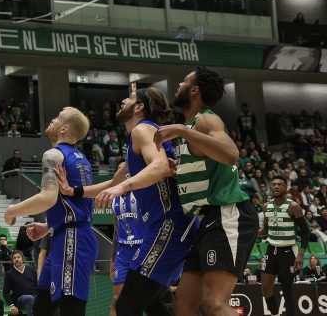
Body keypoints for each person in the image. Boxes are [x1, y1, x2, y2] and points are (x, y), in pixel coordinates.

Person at [60, 88, 197, 316]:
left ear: (139, 107)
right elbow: (109, 184)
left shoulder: (142, 130)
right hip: (165, 227)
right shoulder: (136, 142)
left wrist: (124, 186)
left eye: (130, 99)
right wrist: (72, 191)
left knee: (126, 306)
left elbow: (161, 167)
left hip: (170, 225)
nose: (123, 100)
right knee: (152, 303)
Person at [153, 66, 259, 316]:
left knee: (214, 304)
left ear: (195, 90)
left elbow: (231, 155)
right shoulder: (193, 125)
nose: (178, 85)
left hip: (228, 213)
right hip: (208, 219)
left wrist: (180, 130)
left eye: (183, 81)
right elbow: (207, 165)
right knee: (184, 306)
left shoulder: (205, 119)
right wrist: (180, 169)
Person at [4, 107, 96, 316]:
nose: (51, 120)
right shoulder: (81, 158)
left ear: (63, 128)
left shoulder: (53, 154)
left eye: (56, 118)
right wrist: (48, 226)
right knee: (42, 307)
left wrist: (12, 210)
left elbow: (48, 197)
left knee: (71, 309)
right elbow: (74, 205)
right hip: (66, 234)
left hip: (73, 238)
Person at [259, 175, 309, 316]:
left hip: (288, 252)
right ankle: (275, 313)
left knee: (286, 289)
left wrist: (300, 254)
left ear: (285, 188)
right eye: (273, 184)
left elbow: (305, 232)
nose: (276, 186)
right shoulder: (266, 207)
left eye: (279, 184)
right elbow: (265, 230)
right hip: (271, 250)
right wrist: (250, 233)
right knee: (265, 289)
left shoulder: (293, 206)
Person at [2, 251, 37, 316]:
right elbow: (6, 292)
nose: (17, 259)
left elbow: (38, 285)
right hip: (20, 299)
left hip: (35, 296)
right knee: (30, 298)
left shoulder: (32, 269)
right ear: (12, 261)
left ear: (22, 259)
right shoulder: (9, 274)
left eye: (18, 257)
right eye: (14, 258)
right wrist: (11, 305)